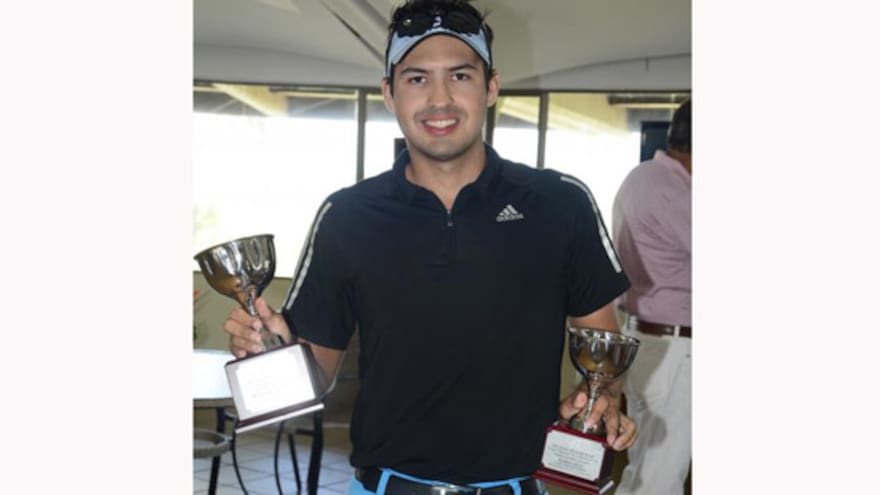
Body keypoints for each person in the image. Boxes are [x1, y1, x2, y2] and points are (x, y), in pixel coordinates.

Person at [224, 1, 637, 493]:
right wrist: (270, 351)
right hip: (386, 486)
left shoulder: (560, 204)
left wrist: (600, 397)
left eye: (460, 76)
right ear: (388, 93)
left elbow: (603, 350)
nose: (439, 100)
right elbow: (318, 375)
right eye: (417, 79)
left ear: (492, 87)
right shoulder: (348, 216)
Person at [611, 100, 692, 495]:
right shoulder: (674, 192)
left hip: (646, 339)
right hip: (676, 348)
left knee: (645, 466)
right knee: (661, 475)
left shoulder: (642, 177)